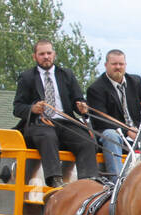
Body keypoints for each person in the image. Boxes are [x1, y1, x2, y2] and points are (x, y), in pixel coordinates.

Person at [13, 40, 99, 188]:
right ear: (35, 57)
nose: (46, 56)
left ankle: (88, 181)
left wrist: (82, 107)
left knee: (87, 141)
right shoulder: (27, 77)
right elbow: (17, 108)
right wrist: (32, 109)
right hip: (39, 123)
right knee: (48, 136)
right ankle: (55, 179)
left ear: (54, 54)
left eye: (49, 53)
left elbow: (78, 100)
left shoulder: (67, 75)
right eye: (42, 54)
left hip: (64, 122)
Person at [86, 49, 141, 176]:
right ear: (106, 65)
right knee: (111, 135)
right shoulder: (95, 89)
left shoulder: (135, 81)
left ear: (125, 65)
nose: (118, 67)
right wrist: (127, 130)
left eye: (121, 64)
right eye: (114, 64)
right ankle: (118, 182)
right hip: (112, 134)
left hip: (137, 132)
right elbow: (100, 120)